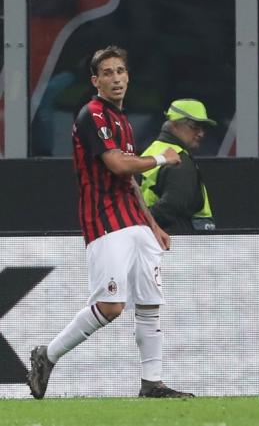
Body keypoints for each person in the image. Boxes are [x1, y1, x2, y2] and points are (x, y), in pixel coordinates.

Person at [27, 46, 193, 399]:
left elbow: (129, 181)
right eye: (108, 73)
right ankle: (48, 354)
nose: (116, 78)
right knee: (111, 307)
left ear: (128, 76)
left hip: (135, 222)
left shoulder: (123, 121)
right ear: (95, 80)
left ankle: (152, 383)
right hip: (105, 222)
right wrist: (161, 158)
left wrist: (153, 224)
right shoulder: (92, 115)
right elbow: (118, 166)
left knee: (149, 304)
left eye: (120, 71)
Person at [140, 99, 217, 232]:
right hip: (182, 243)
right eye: (195, 126)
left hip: (153, 239)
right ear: (175, 125)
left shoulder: (150, 153)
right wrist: (142, 223)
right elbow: (172, 205)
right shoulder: (178, 159)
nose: (201, 133)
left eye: (202, 127)